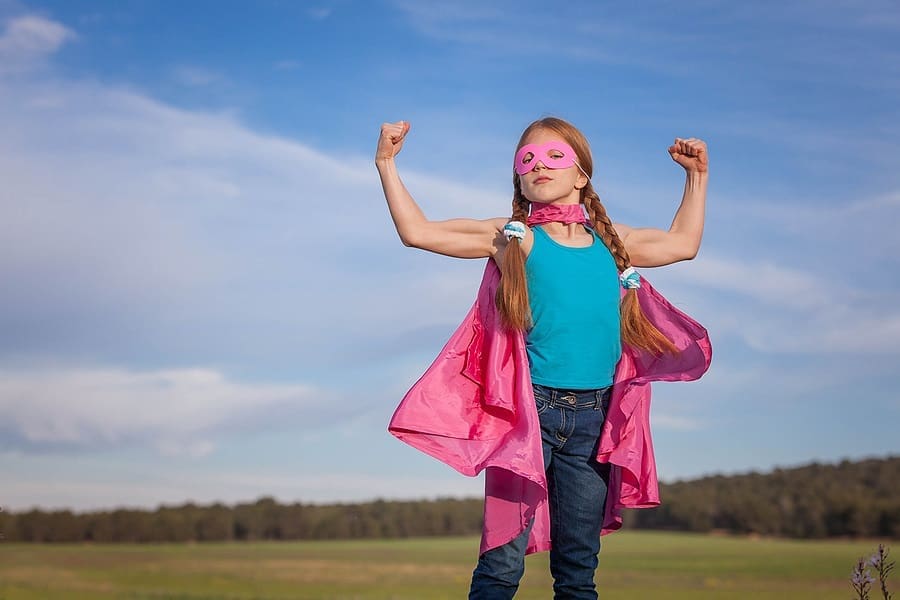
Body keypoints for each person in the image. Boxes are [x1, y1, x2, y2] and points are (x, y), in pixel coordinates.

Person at [376, 116, 709, 599]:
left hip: (596, 419)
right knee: (501, 564)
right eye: (527, 159)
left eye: (555, 156)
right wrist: (386, 163)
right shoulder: (513, 236)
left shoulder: (613, 243)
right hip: (528, 416)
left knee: (578, 570)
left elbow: (684, 244)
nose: (539, 165)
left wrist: (696, 176)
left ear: (581, 175)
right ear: (519, 177)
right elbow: (418, 231)